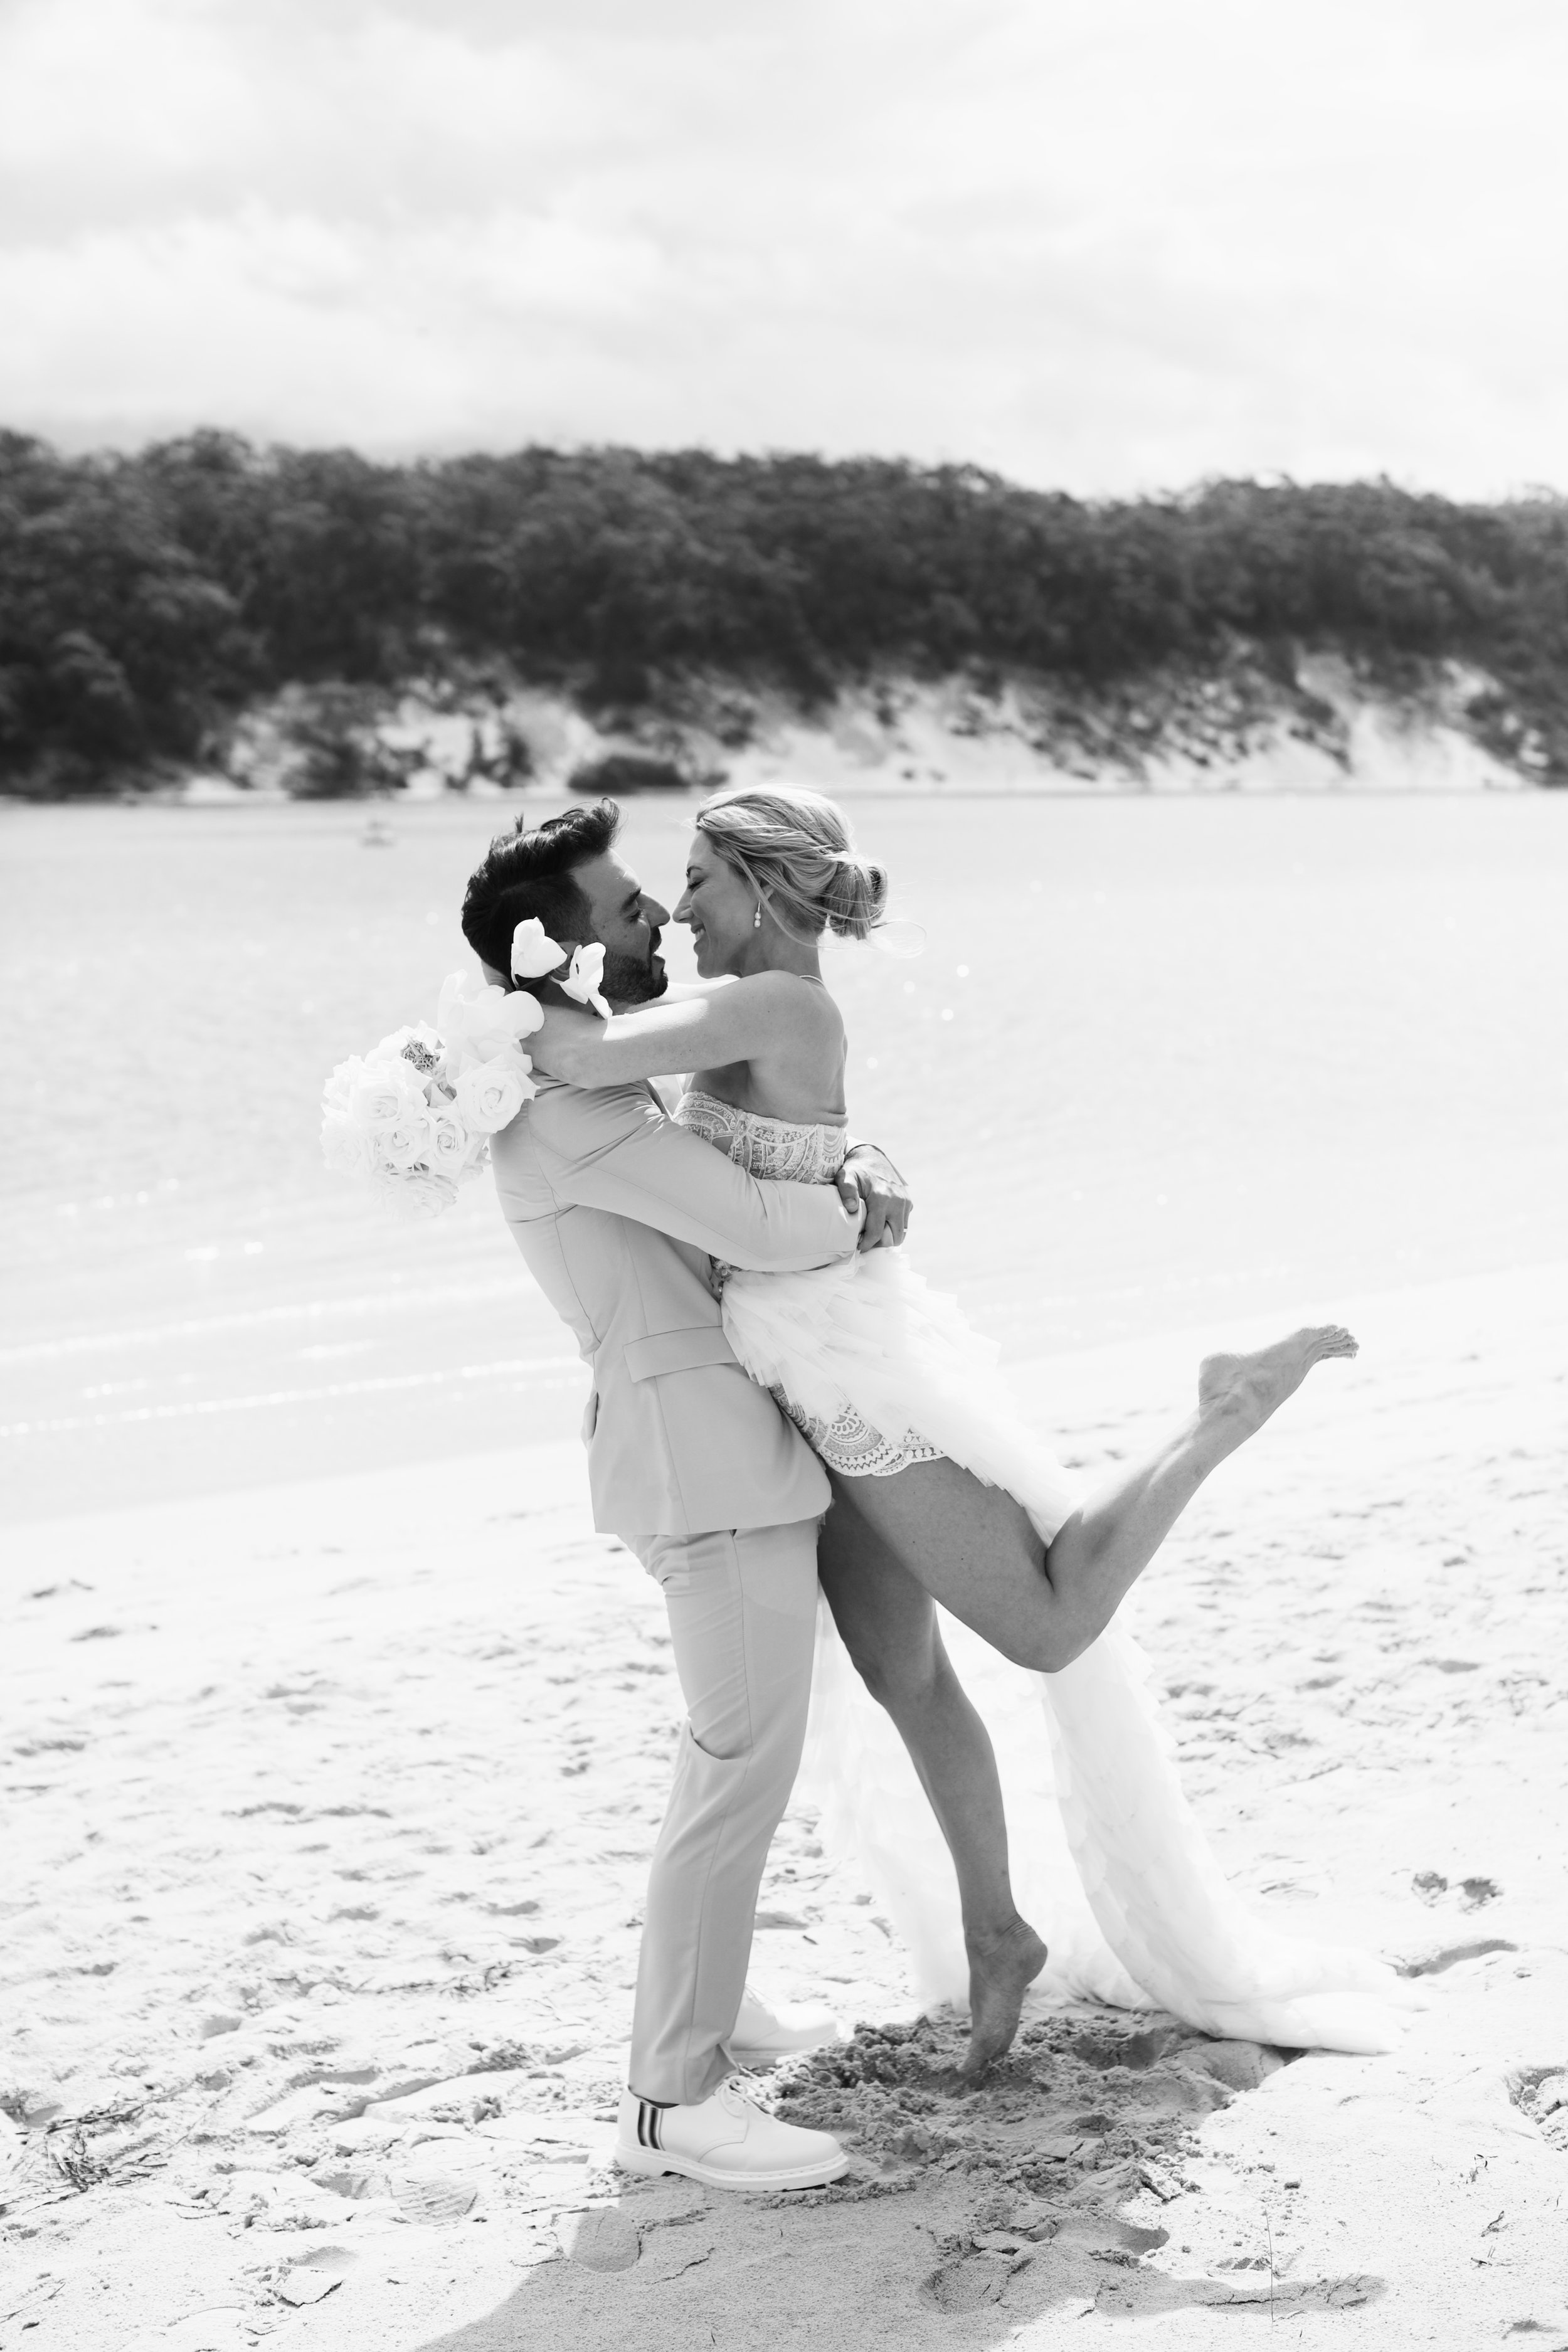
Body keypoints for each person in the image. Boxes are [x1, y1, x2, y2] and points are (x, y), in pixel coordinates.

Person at [521, 782, 1413, 2060]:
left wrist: (496, 1011)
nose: (680, 912)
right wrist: (857, 1150)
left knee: (1043, 1624)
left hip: (842, 1372)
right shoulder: (746, 1010)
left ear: (764, 890)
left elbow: (584, 1061)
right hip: (786, 1377)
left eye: (699, 885)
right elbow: (734, 1118)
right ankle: (997, 1930)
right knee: (903, 1673)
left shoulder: (769, 997)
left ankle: (1219, 1412)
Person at [460, 801, 914, 2195]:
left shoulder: (594, 1090)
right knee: (735, 1775)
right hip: (698, 1463)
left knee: (723, 1765)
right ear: (558, 953)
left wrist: (854, 1161)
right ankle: (672, 2103)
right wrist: (866, 1201)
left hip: (712, 1446)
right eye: (626, 908)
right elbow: (763, 1225)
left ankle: (710, 2010)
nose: (657, 916)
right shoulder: (572, 1111)